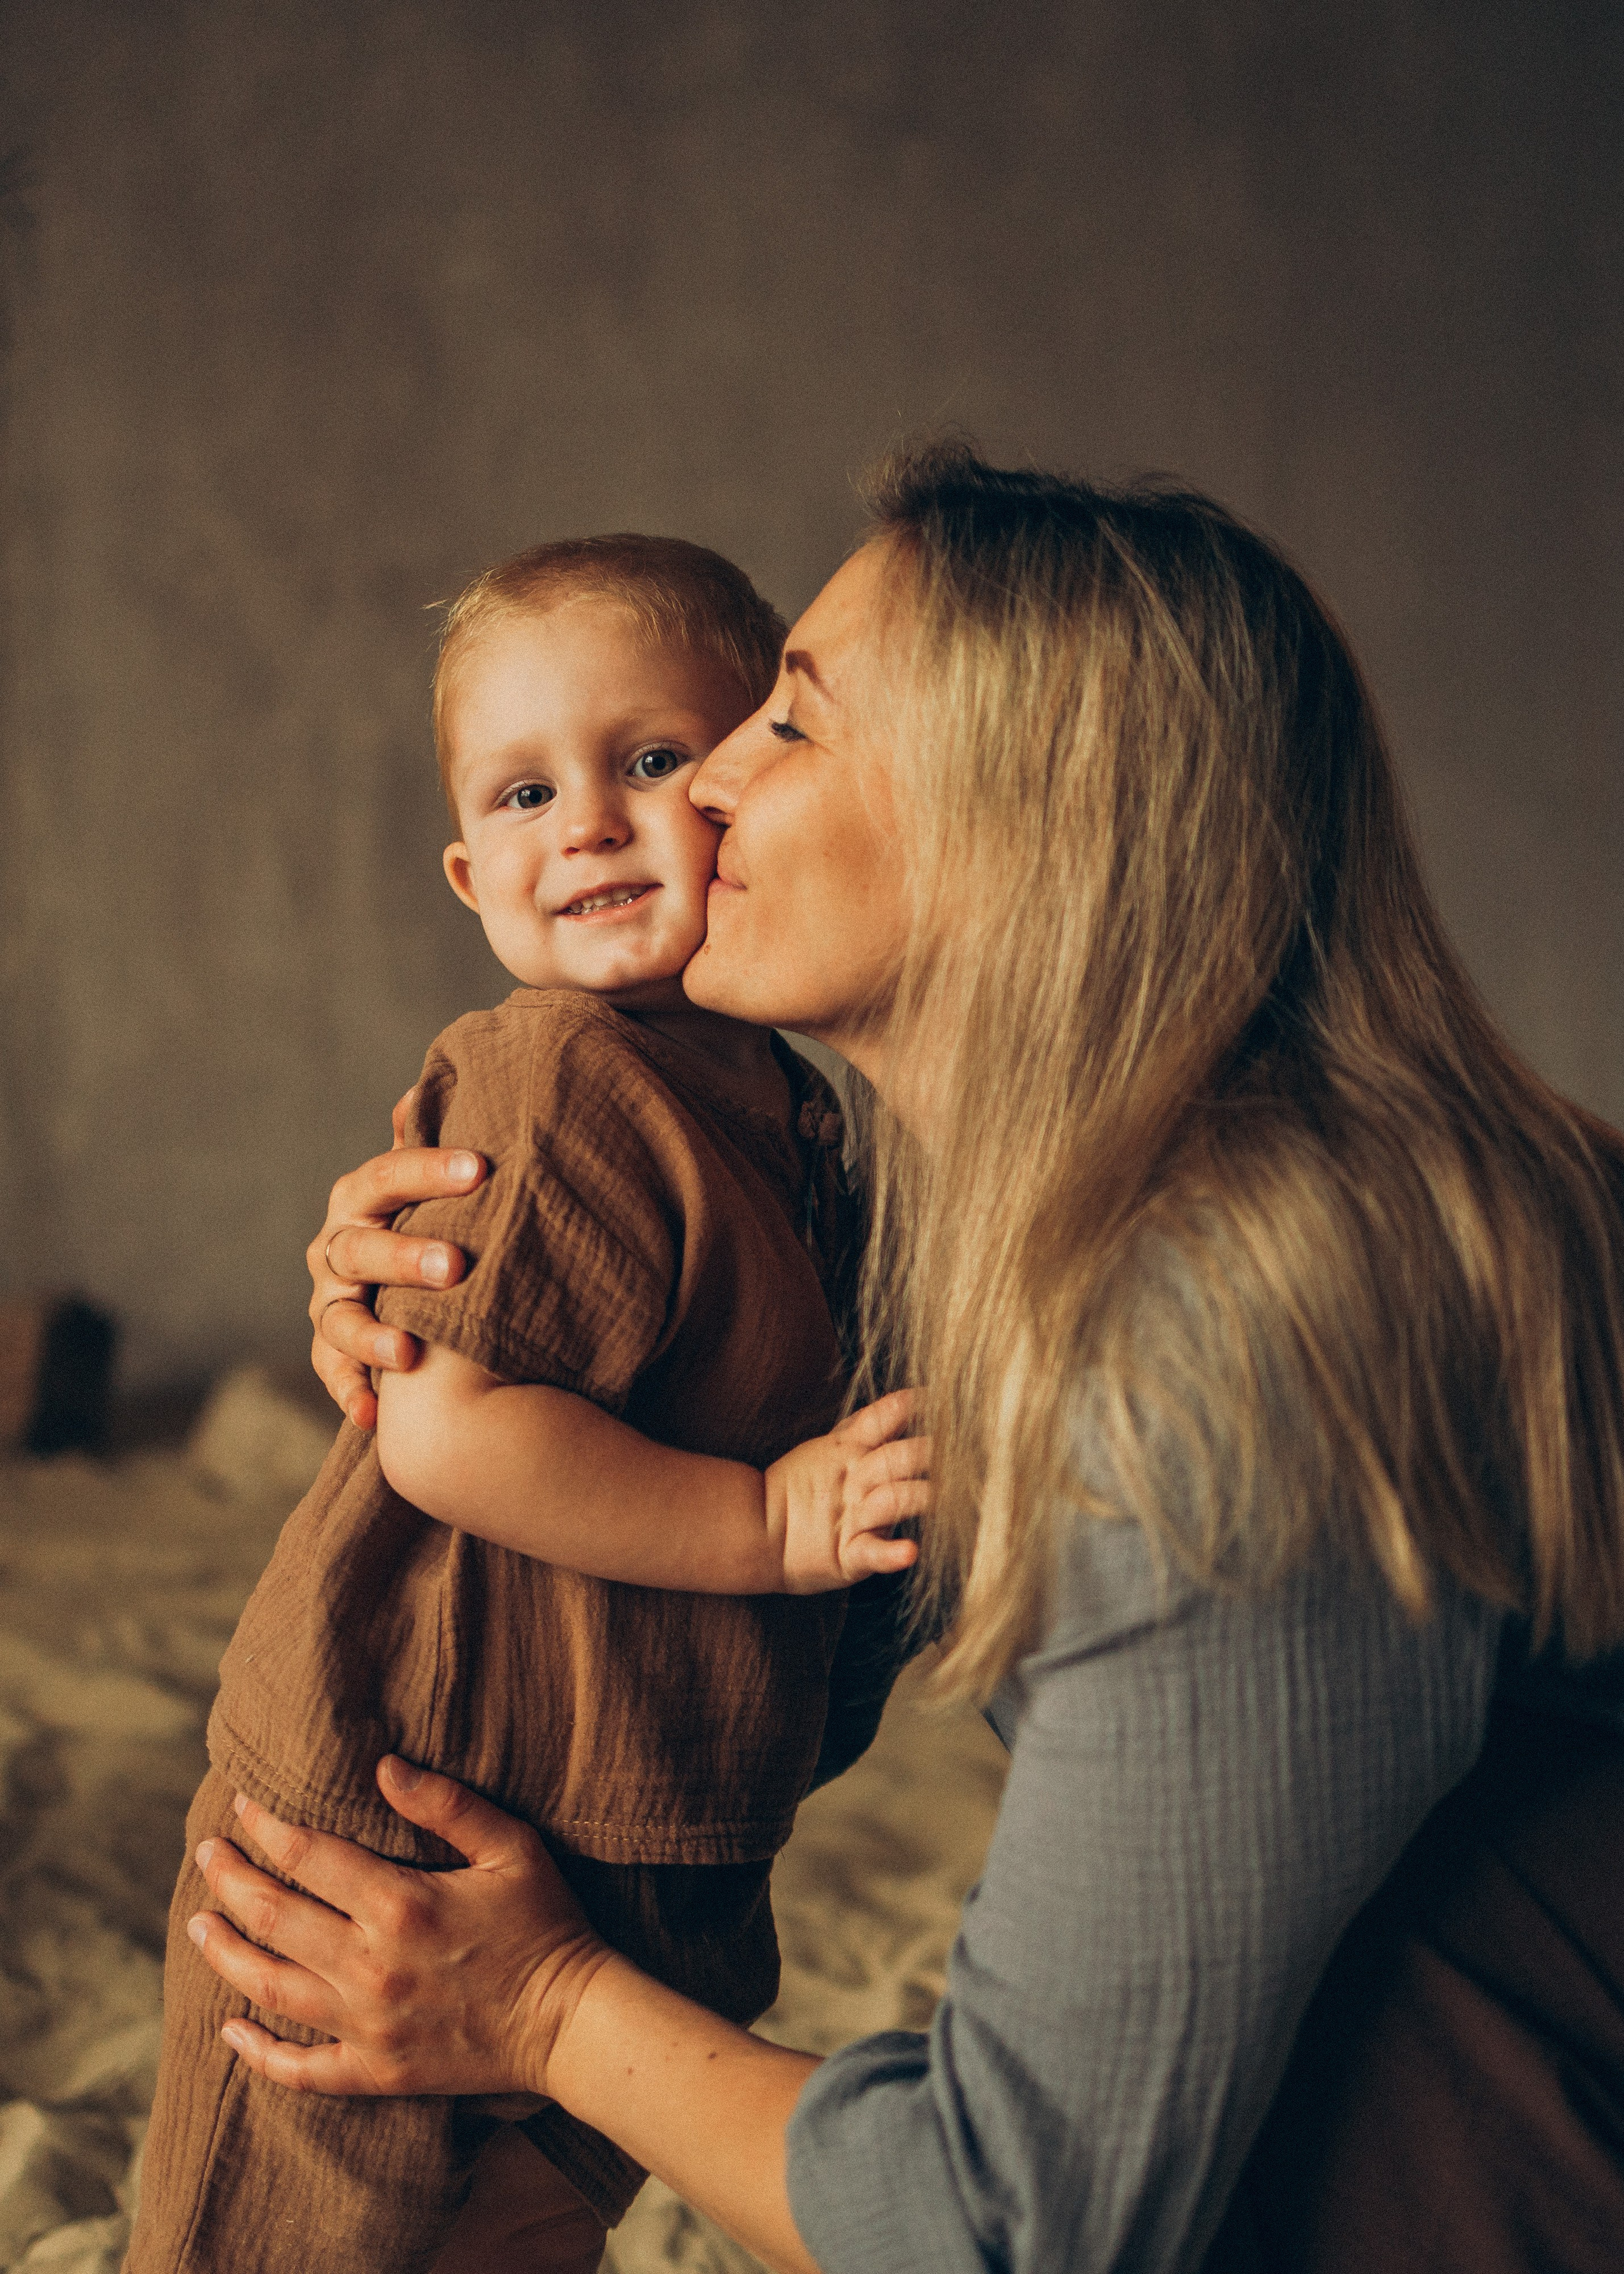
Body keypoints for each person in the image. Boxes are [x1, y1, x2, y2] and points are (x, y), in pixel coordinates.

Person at [185, 447, 1624, 2272]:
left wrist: (544, 2007)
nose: (700, 783)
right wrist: (483, 1328)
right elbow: (821, 1644)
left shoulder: (1233, 1337)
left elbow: (1014, 2228)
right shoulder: (1001, 1225)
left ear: (1024, 818)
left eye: (785, 722)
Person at [128, 535, 927, 2274]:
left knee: (519, 2236)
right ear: (466, 868)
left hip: (629, 1808)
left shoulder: (786, 1111)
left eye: (652, 762)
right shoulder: (558, 1073)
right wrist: (773, 1522)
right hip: (387, 1820)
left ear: (748, 782)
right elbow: (449, 1427)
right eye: (523, 790)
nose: (587, 821)